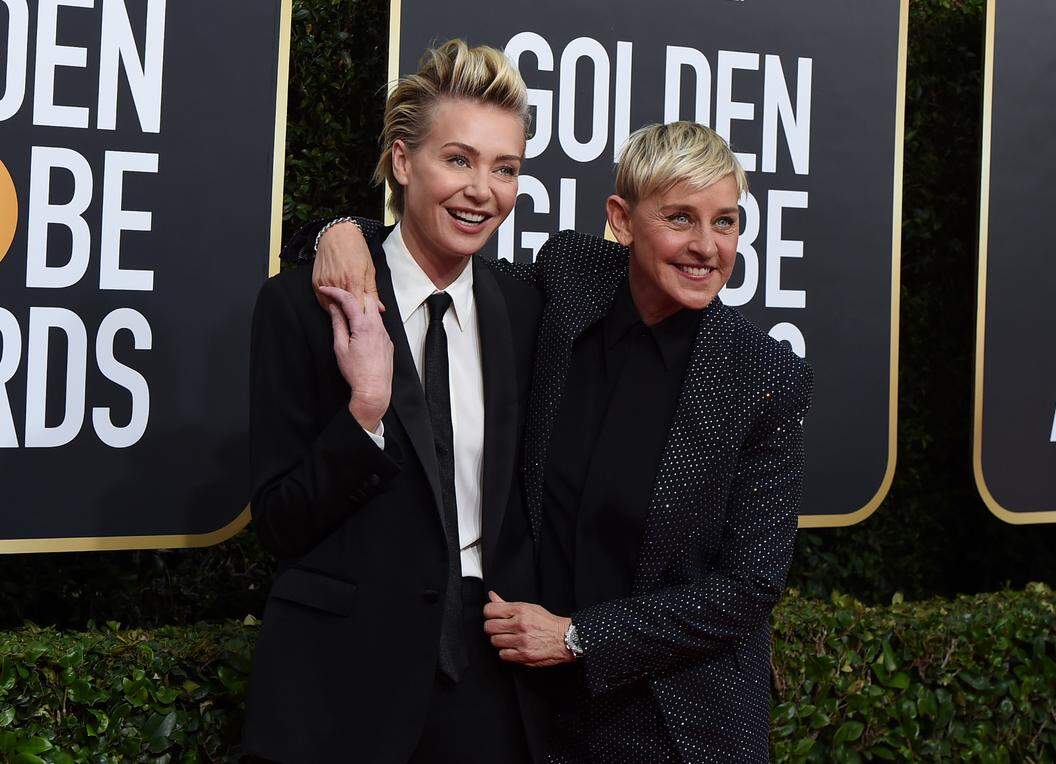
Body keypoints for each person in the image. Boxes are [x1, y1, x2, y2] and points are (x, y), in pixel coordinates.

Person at [297, 122, 812, 763]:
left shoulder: (763, 377)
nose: (707, 246)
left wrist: (578, 637)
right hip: (539, 716)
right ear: (621, 221)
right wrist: (339, 233)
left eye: (726, 222)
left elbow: (748, 588)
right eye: (681, 218)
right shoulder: (571, 281)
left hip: (681, 724)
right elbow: (434, 262)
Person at [242, 40, 546, 762]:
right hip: (338, 688)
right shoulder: (305, 309)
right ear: (404, 161)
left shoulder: (530, 311)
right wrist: (367, 408)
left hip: (488, 693)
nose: (483, 190)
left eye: (505, 169)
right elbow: (281, 525)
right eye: (459, 159)